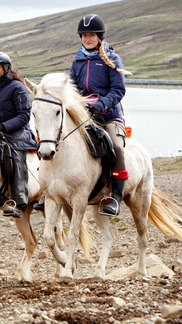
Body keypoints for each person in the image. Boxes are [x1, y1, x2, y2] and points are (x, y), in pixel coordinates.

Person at [71, 14, 132, 216]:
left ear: (99, 36)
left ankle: (116, 197)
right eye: (84, 35)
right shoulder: (77, 61)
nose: (87, 39)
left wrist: (102, 105)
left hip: (109, 115)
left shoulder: (113, 60)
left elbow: (118, 90)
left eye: (92, 35)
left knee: (115, 146)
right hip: (85, 116)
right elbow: (72, 89)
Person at [0, 52, 38, 218]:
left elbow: (24, 116)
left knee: (13, 154)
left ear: (6, 68)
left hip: (18, 133)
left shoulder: (18, 87)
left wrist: (4, 126)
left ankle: (18, 198)